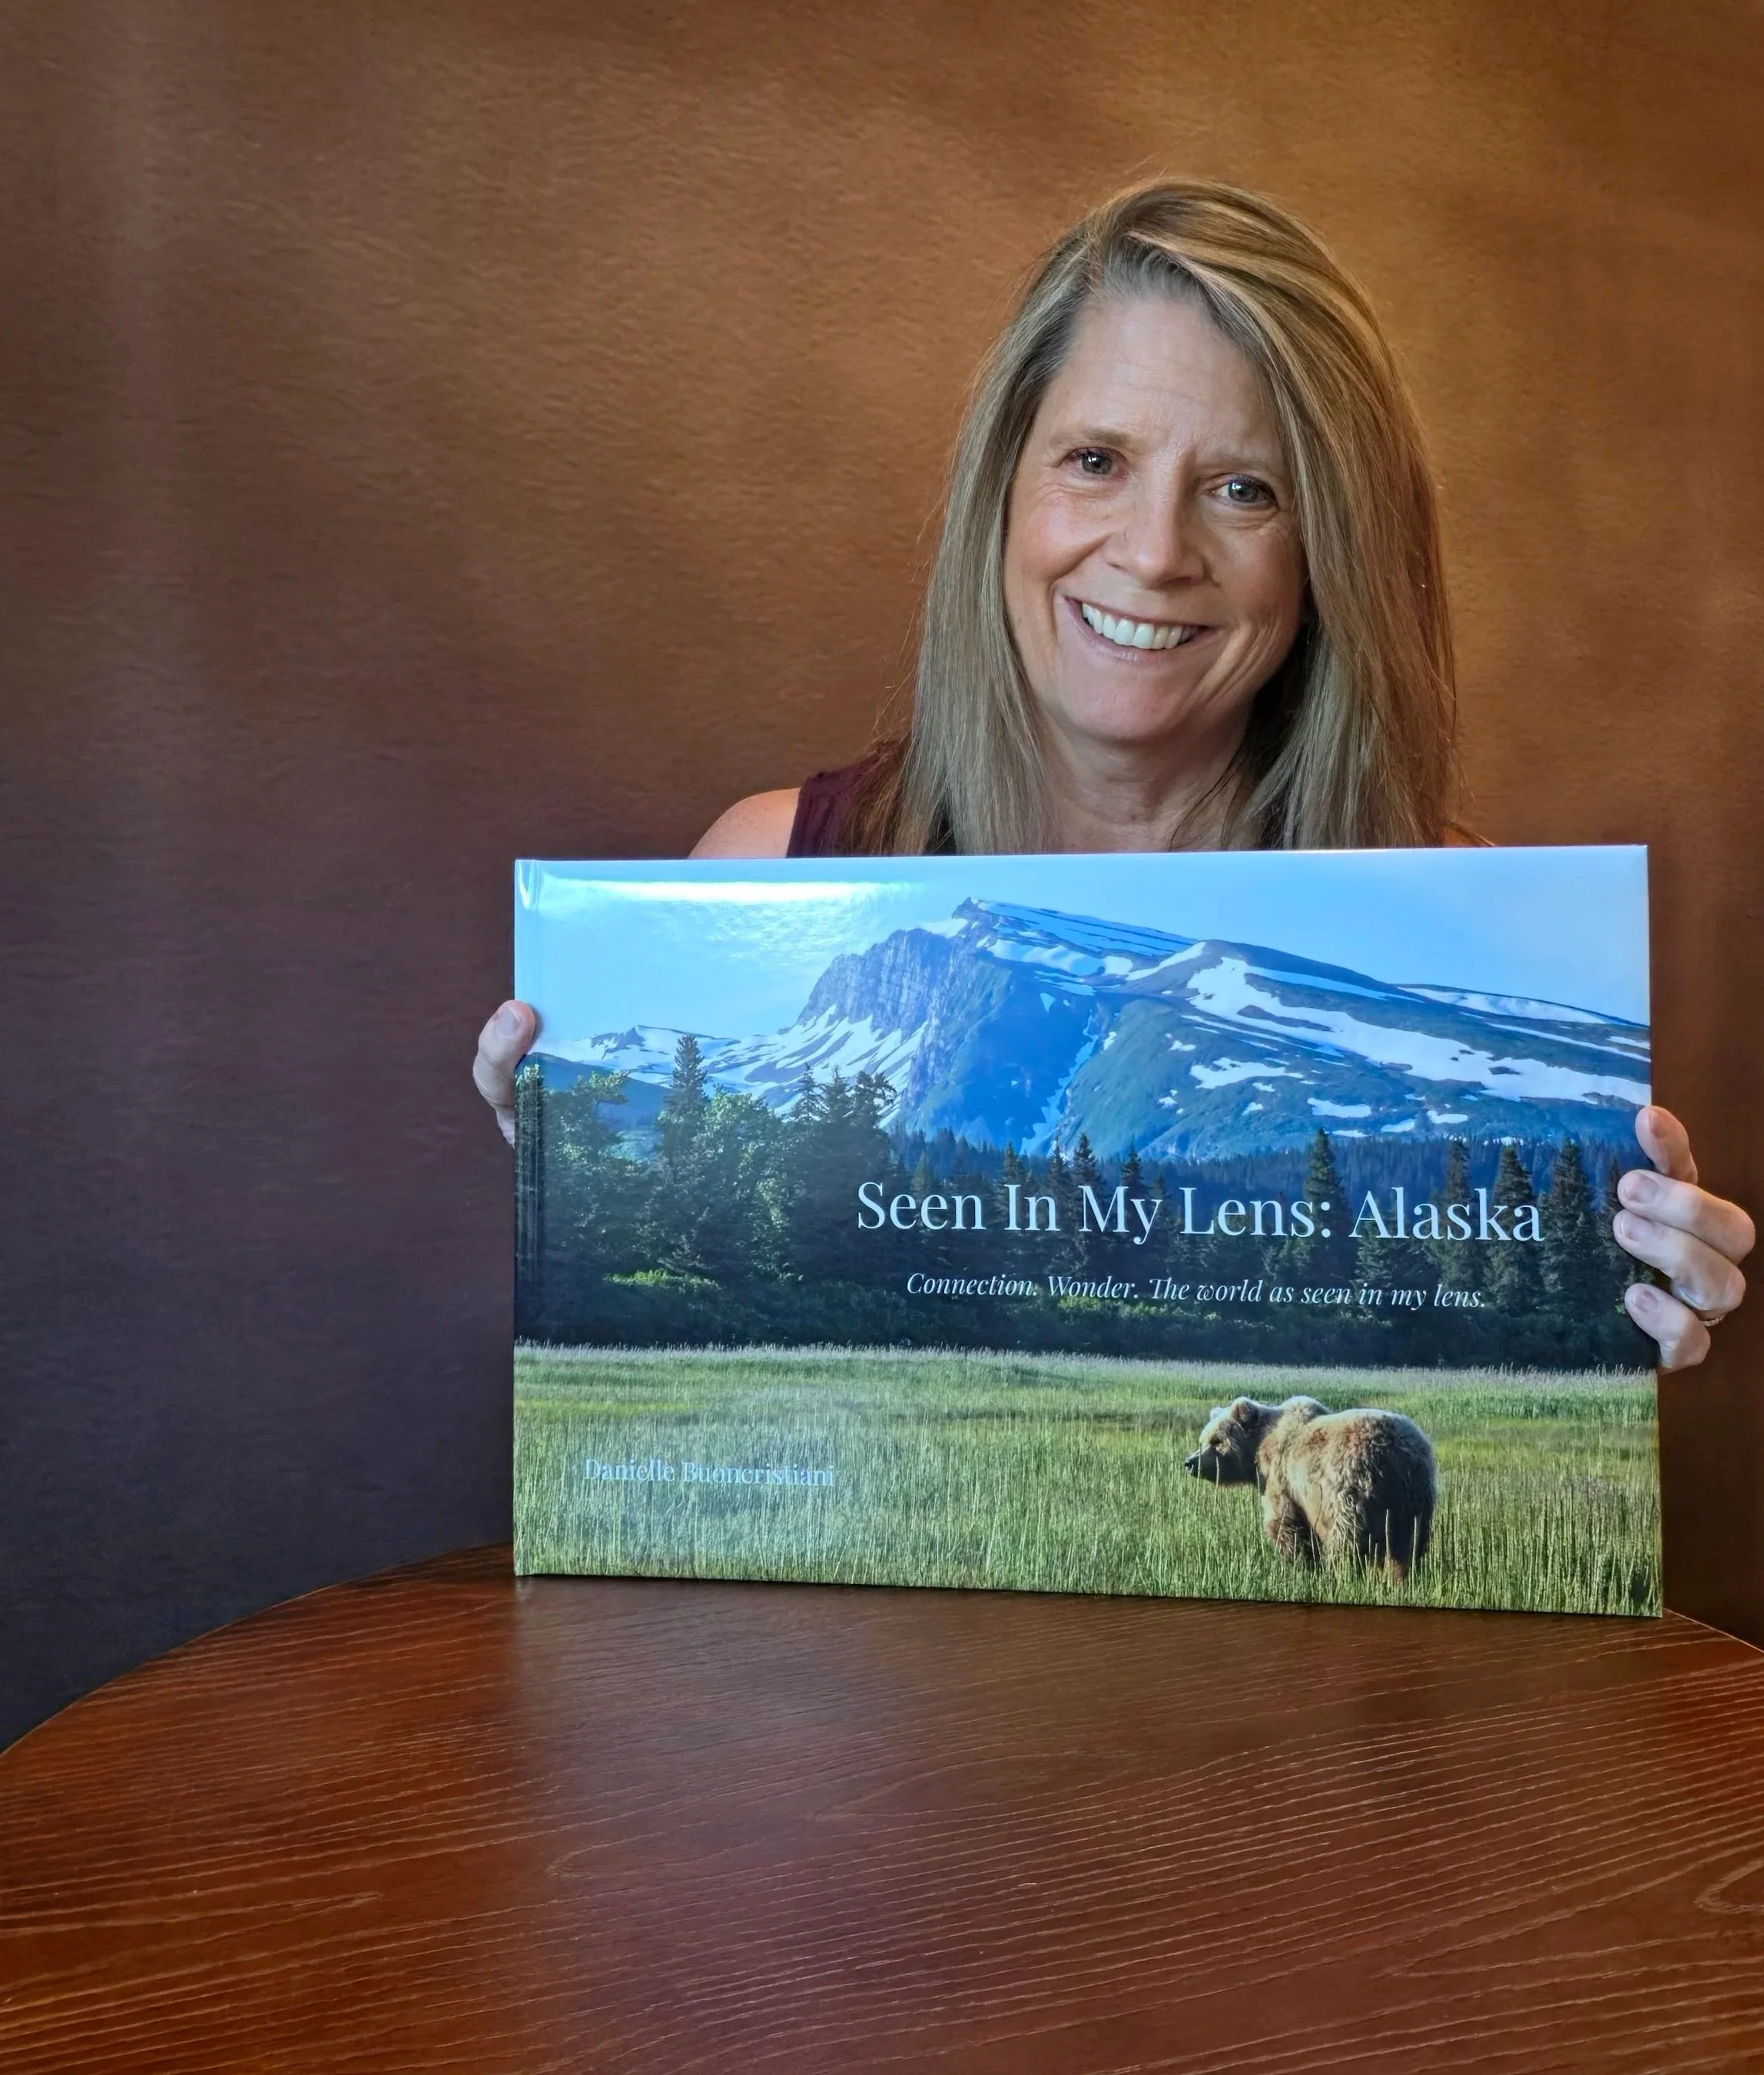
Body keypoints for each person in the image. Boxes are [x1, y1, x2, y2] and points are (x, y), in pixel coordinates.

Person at [474, 181, 1750, 1369]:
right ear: (1004, 495)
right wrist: (584, 1170)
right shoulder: (767, 863)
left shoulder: (1474, 926)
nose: (1152, 551)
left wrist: (1611, 1299)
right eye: (1096, 460)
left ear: (1327, 559)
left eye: (1245, 489)